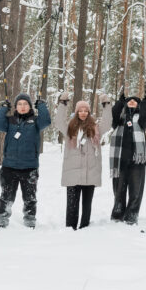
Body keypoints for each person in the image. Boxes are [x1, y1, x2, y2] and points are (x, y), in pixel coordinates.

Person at [53, 92, 113, 230]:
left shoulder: (96, 128)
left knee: (87, 206)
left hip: (90, 173)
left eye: (86, 110)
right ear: (76, 112)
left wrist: (107, 105)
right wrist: (62, 103)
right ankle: (70, 229)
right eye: (80, 110)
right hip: (73, 173)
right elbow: (58, 122)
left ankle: (85, 230)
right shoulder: (70, 128)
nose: (83, 113)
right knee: (72, 206)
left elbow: (107, 123)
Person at [0, 93, 51, 228]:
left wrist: (42, 106)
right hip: (9, 166)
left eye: (25, 104)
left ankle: (30, 220)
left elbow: (46, 122)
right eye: (19, 104)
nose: (22, 106)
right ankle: (2, 220)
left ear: (30, 106)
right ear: (16, 107)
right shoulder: (10, 121)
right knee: (6, 196)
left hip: (29, 167)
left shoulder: (36, 121)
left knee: (30, 197)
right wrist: (3, 108)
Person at [109, 94, 146, 225]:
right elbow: (113, 116)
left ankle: (132, 215)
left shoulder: (141, 119)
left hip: (137, 160)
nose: (132, 102)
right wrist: (119, 103)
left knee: (136, 189)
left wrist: (144, 104)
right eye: (129, 100)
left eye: (135, 101)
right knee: (119, 189)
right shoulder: (120, 119)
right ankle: (118, 212)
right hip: (120, 159)